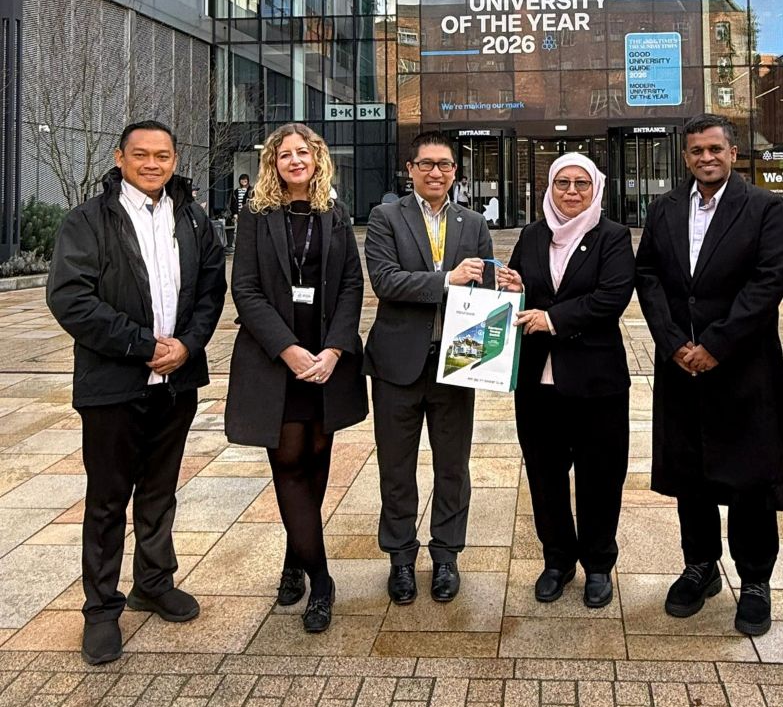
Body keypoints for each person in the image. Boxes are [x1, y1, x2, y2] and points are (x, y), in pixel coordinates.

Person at [47, 121, 226, 666]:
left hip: (175, 382)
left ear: (175, 160)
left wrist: (188, 346)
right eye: (141, 154)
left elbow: (211, 289)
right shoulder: (88, 220)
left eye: (163, 155)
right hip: (113, 386)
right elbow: (71, 298)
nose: (152, 164)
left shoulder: (192, 218)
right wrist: (142, 345)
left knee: (159, 490)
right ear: (119, 158)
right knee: (107, 500)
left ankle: (153, 581)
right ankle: (102, 608)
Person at [636, 115, 783, 637]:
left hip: (743, 364)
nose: (705, 158)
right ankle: (700, 566)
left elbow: (768, 281)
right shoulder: (664, 208)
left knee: (751, 477)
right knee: (691, 473)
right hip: (681, 366)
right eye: (696, 151)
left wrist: (716, 345)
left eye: (714, 149)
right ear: (685, 157)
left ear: (732, 153)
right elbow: (648, 276)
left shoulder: (764, 208)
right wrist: (673, 343)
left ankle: (754, 580)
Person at [225, 123, 365, 633]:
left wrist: (334, 350)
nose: (294, 160)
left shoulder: (335, 212)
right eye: (284, 154)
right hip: (276, 360)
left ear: (316, 158)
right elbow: (245, 289)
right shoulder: (255, 215)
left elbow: (351, 284)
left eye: (302, 152)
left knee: (317, 458)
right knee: (288, 461)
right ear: (273, 163)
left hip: (326, 359)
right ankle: (321, 581)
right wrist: (288, 350)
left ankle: (294, 559)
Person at [497, 154, 634, 608]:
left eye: (581, 184)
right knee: (545, 477)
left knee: (601, 477)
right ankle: (557, 561)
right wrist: (514, 290)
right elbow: (522, 292)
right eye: (562, 183)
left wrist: (551, 319)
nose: (571, 192)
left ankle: (598, 565)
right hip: (537, 383)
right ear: (549, 188)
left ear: (596, 189)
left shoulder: (612, 237)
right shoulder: (532, 236)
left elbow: (611, 298)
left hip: (597, 382)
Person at [363, 133, 493, 605]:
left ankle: (446, 556)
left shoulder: (472, 223)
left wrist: (505, 286)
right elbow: (385, 281)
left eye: (445, 165)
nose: (436, 172)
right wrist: (447, 280)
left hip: (457, 362)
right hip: (397, 364)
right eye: (426, 164)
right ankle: (400, 558)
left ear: (455, 171)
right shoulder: (386, 217)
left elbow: (485, 289)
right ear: (411, 169)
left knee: (452, 467)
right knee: (396, 468)